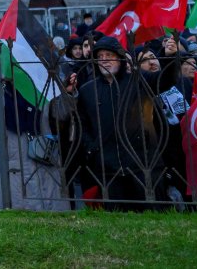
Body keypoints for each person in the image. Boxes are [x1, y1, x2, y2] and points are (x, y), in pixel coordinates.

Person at [51, 36, 181, 210]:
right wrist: (93, 149)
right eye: (100, 56)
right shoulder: (88, 90)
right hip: (108, 170)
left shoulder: (138, 80)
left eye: (109, 55)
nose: (104, 60)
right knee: (117, 221)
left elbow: (165, 80)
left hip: (143, 165)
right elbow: (81, 125)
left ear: (119, 58)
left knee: (151, 218)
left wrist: (171, 57)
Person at [0, 61, 66, 210]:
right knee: (17, 207)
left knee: (50, 208)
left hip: (43, 152)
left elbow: (61, 114)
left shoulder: (38, 75)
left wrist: (67, 93)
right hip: (9, 155)